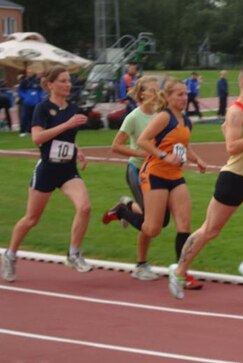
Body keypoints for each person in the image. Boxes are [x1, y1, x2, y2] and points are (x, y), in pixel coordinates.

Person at [168, 64, 243, 300]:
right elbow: (231, 147)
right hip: (233, 179)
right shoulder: (236, 111)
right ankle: (179, 270)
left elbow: (234, 133)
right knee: (210, 230)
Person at [2, 67, 93, 282]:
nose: (67, 85)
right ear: (50, 84)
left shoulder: (73, 108)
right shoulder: (42, 108)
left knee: (85, 207)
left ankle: (73, 253)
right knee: (32, 219)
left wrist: (77, 150)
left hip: (68, 170)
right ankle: (10, 255)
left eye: (69, 81)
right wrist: (67, 124)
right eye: (62, 81)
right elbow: (37, 138)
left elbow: (68, 137)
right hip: (47, 171)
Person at [119, 78, 207, 288]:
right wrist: (163, 156)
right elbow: (143, 141)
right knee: (153, 229)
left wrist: (198, 160)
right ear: (167, 97)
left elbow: (183, 145)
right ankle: (123, 210)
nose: (184, 98)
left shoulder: (186, 121)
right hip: (154, 174)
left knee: (184, 225)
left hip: (176, 176)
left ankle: (181, 273)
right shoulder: (163, 117)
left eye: (185, 94)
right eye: (179, 94)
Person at [102, 76, 173, 281]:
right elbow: (116, 146)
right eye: (151, 90)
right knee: (151, 223)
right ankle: (141, 265)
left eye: (157, 89)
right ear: (141, 94)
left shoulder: (161, 115)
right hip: (137, 172)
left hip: (157, 173)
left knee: (163, 221)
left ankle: (126, 206)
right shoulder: (134, 117)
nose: (156, 94)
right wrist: (144, 154)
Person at [18, 71, 45, 136]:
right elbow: (20, 91)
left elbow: (41, 91)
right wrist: (26, 97)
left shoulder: (38, 82)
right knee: (25, 116)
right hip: (27, 103)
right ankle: (22, 131)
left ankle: (30, 131)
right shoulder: (24, 81)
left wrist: (40, 98)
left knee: (34, 117)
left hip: (36, 103)